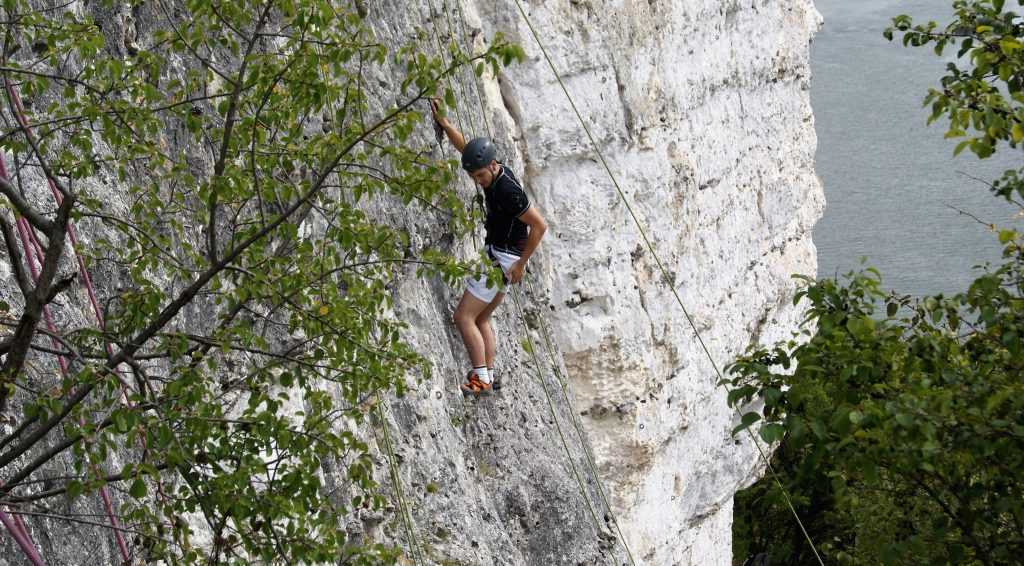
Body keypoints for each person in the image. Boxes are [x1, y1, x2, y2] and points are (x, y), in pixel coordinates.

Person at [431, 99, 548, 395]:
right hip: (502, 257)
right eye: (474, 177)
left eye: (481, 176)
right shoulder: (490, 172)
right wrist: (446, 125)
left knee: (463, 317)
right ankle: (489, 374)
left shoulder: (508, 190)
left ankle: (480, 379)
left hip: (503, 258)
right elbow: (468, 151)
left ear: (493, 166)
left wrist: (520, 264)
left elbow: (539, 226)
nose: (478, 181)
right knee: (482, 317)